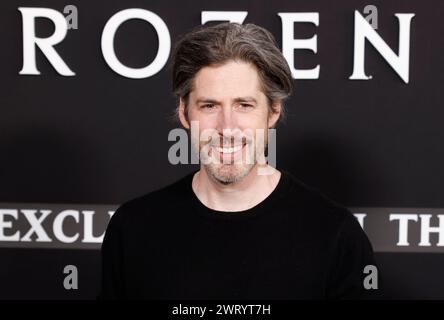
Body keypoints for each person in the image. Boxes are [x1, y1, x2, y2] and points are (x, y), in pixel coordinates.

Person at [99, 22, 377, 299]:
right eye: (209, 106)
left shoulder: (335, 235)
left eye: (244, 105)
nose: (227, 127)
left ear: (273, 111)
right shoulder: (133, 229)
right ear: (184, 113)